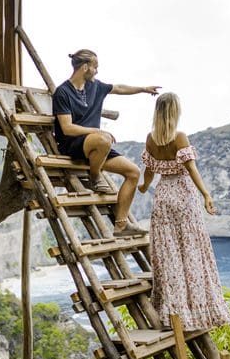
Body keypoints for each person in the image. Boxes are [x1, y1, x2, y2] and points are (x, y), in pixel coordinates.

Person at [138, 92, 230, 330]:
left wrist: (145, 186)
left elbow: (149, 172)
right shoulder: (179, 137)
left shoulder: (151, 139)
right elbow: (191, 169)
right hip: (183, 196)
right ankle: (198, 310)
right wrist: (206, 195)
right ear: (174, 112)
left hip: (163, 197)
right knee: (191, 251)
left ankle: (172, 310)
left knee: (169, 253)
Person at [52, 49, 158, 237]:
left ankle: (121, 225)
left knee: (133, 172)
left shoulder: (95, 86)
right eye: (95, 67)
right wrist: (98, 131)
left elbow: (119, 88)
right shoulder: (62, 92)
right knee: (104, 138)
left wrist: (142, 89)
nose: (97, 71)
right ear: (85, 67)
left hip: (98, 147)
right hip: (72, 146)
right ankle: (94, 176)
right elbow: (67, 128)